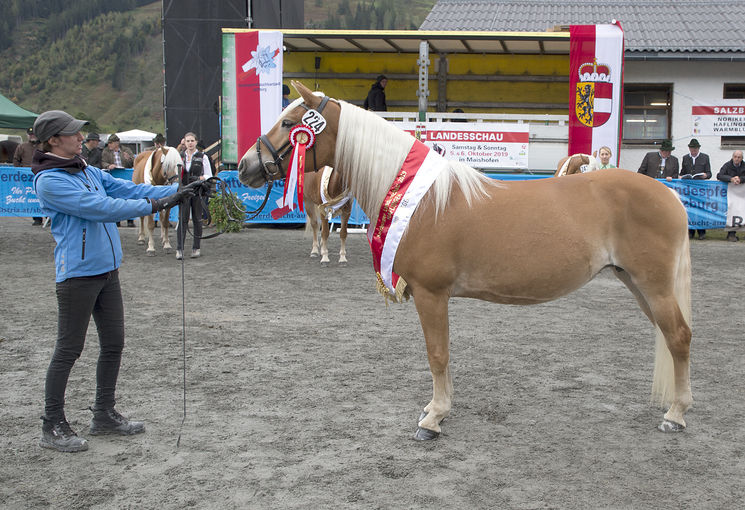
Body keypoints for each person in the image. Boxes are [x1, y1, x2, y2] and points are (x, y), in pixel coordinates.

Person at [30, 110, 201, 453]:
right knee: (68, 350)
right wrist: (157, 204)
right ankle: (52, 424)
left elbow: (125, 186)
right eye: (73, 134)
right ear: (53, 141)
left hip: (107, 270)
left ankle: (104, 414)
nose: (81, 138)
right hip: (77, 275)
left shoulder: (86, 169)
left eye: (80, 133)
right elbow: (102, 207)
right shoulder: (50, 180)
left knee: (114, 344)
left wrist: (179, 188)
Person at [177, 131, 213, 260]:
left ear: (196, 142)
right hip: (184, 191)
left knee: (197, 219)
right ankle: (179, 249)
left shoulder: (202, 157)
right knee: (183, 219)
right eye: (188, 141)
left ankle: (196, 247)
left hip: (197, 191)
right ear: (184, 143)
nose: (190, 143)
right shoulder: (180, 157)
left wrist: (200, 177)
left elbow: (209, 175)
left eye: (192, 141)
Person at [101, 134, 137, 226]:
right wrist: (108, 166)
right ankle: (117, 220)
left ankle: (130, 220)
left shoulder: (126, 150)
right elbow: (103, 162)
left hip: (126, 174)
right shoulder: (106, 151)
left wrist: (128, 158)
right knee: (115, 197)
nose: (109, 145)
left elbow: (133, 162)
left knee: (128, 196)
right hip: (114, 175)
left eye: (111, 143)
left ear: (116, 143)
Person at [681, 139, 712, 240]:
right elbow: (682, 172)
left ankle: (701, 232)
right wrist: (682, 176)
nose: (693, 151)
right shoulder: (685, 158)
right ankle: (690, 231)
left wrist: (705, 175)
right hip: (689, 188)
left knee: (700, 209)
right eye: (692, 149)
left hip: (700, 188)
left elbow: (709, 173)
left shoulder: (705, 157)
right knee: (689, 209)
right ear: (689, 149)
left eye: (695, 149)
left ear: (698, 149)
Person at [13, 127, 43, 225]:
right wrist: (18, 172)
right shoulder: (22, 146)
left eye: (34, 134)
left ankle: (48, 217)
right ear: (27, 136)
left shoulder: (44, 146)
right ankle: (37, 218)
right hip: (26, 178)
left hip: (41, 176)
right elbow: (16, 160)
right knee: (31, 197)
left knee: (43, 196)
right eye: (30, 135)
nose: (32, 136)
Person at [717, 150, 745, 242]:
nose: (737, 159)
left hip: (742, 194)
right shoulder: (727, 165)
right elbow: (719, 175)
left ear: (742, 158)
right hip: (731, 194)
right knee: (733, 212)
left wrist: (740, 179)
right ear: (732, 157)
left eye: (739, 157)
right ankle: (731, 234)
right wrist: (731, 179)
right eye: (735, 157)